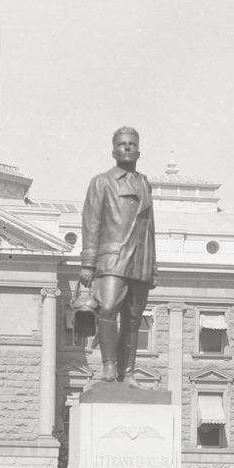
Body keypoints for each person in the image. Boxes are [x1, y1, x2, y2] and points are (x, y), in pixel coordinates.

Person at [77, 126, 156, 387]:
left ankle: (129, 373)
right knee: (108, 308)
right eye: (122, 144)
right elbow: (91, 222)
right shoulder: (102, 182)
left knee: (133, 319)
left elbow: (149, 228)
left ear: (139, 150)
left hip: (140, 261)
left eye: (132, 144)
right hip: (112, 258)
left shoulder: (144, 183)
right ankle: (109, 366)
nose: (127, 147)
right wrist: (88, 263)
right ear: (113, 151)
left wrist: (152, 266)